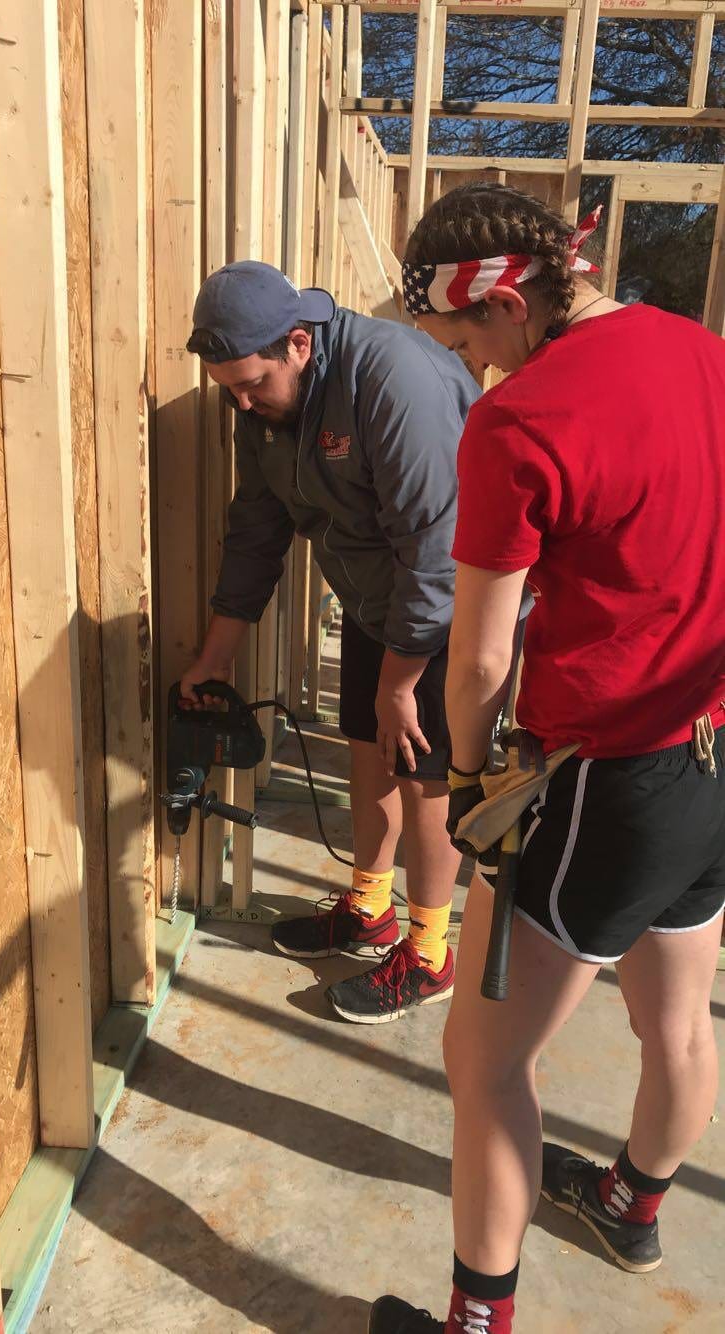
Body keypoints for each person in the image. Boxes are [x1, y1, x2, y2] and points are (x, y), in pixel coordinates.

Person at [369, 184, 725, 1332]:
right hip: (714, 753)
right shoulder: (704, 353)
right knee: (676, 1020)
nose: (471, 369)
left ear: (511, 299)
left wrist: (473, 786)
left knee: (482, 1058)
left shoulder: (522, 422)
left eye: (469, 340)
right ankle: (633, 1204)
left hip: (606, 777)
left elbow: (473, 665)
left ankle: (480, 1319)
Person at [184, 261, 480, 1023]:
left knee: (423, 772)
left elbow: (437, 549)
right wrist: (217, 653)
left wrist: (403, 680)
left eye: (252, 385)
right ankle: (370, 907)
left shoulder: (391, 380)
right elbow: (256, 532)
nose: (242, 404)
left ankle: (431, 950)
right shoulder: (263, 407)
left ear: (299, 345)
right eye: (229, 390)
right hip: (375, 601)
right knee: (366, 748)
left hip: (450, 606)